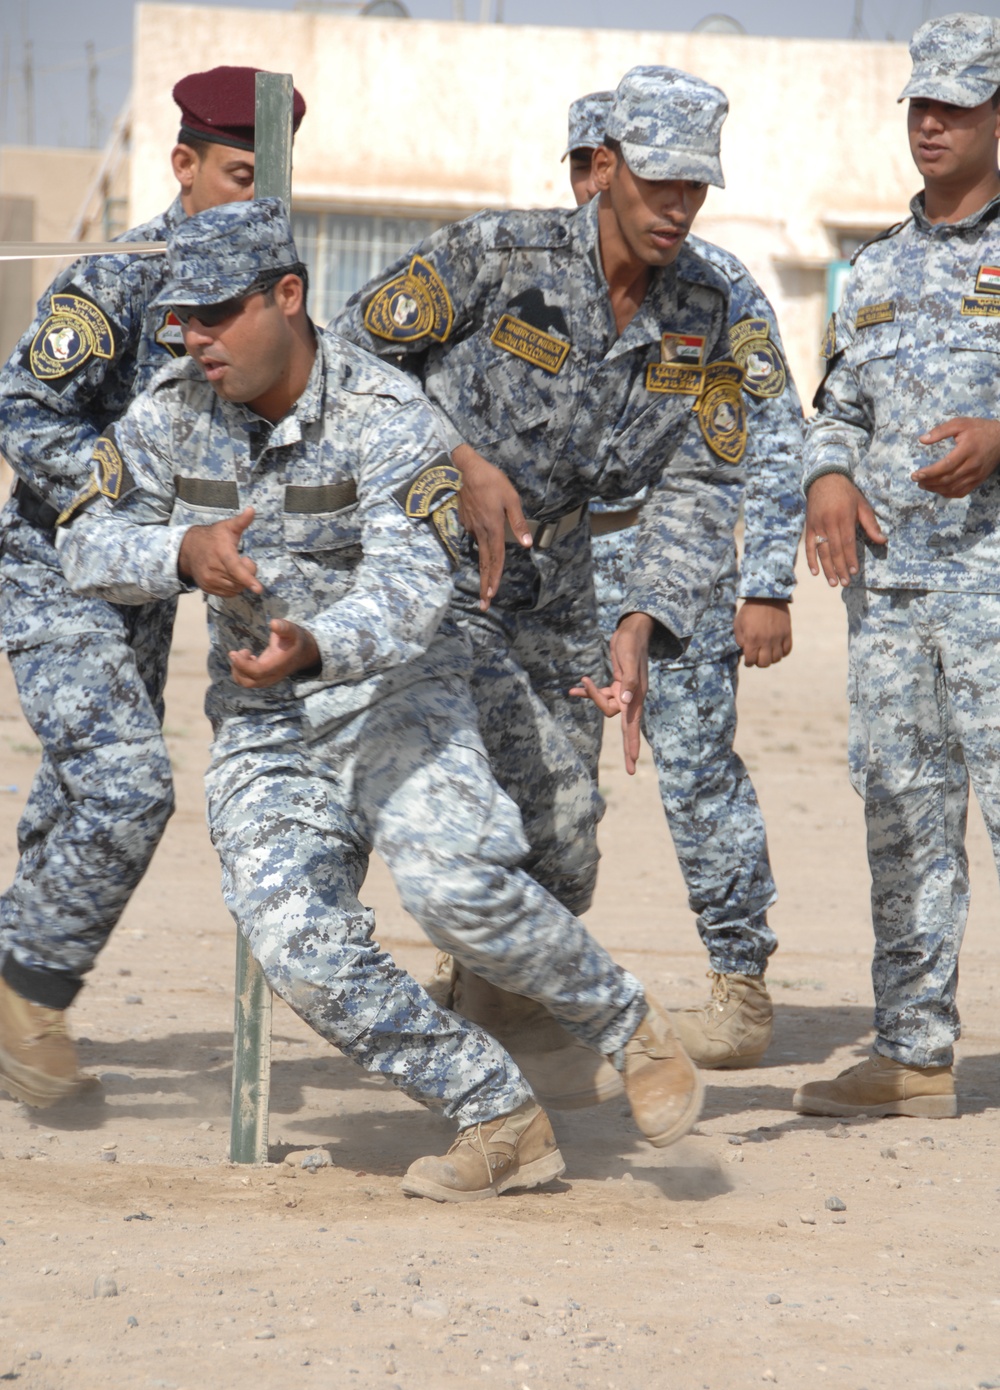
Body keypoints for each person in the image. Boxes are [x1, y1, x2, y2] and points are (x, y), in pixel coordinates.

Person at [56, 198, 704, 1199]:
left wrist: (314, 643)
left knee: (453, 886)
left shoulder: (388, 412)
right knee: (296, 946)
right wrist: (176, 551)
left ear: (287, 296)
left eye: (217, 313)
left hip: (396, 694)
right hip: (266, 726)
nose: (195, 338)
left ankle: (626, 1023)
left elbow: (411, 590)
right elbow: (83, 542)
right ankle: (496, 1112)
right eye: (182, 318)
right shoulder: (170, 413)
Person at [331, 65, 748, 1109]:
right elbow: (345, 354)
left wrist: (644, 612)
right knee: (393, 808)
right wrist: (455, 455)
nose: (677, 210)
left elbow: (702, 474)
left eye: (696, 191)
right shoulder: (494, 255)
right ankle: (338, 989)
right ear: (603, 170)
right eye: (659, 185)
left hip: (559, 583)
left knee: (562, 834)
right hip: (425, 564)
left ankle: (495, 1008)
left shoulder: (706, 307)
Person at [0, 67, 306, 1111]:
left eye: (274, 180)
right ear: (183, 165)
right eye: (236, 174)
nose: (257, 197)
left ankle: (16, 987)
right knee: (130, 788)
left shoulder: (272, 293)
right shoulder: (120, 278)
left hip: (155, 590)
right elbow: (26, 413)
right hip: (61, 573)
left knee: (72, 805)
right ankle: (28, 990)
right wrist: (140, 512)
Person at [561, 90, 804, 1069]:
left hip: (681, 563)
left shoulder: (716, 288)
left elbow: (775, 428)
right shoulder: (535, 278)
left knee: (699, 779)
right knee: (538, 773)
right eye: (580, 165)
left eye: (602, 164)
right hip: (557, 568)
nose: (592, 183)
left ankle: (739, 986)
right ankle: (510, 971)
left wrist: (768, 579)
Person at [796, 12, 1000, 1119]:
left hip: (995, 591)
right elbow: (834, 404)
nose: (932, 124)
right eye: (921, 104)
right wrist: (826, 475)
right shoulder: (872, 268)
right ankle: (914, 1055)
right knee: (903, 821)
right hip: (892, 603)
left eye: (957, 106)